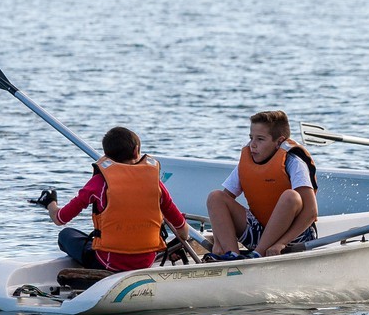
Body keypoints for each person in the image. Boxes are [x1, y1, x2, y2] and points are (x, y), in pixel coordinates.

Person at [38, 126, 189, 271]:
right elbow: (183, 232)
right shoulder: (156, 184)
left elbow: (60, 219)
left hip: (109, 262)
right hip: (146, 261)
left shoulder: (98, 184)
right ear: (136, 151)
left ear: (106, 155)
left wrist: (50, 202)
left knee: (66, 235)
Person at [206, 110, 320, 258]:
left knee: (291, 196)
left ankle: (257, 255)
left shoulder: (293, 162)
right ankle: (231, 256)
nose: (252, 145)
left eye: (260, 139)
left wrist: (281, 243)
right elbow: (222, 204)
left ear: (279, 142)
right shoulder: (247, 162)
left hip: (293, 238)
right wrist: (218, 241)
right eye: (251, 138)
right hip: (259, 233)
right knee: (215, 197)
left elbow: (311, 212)